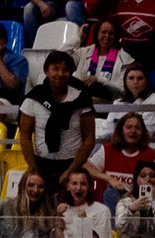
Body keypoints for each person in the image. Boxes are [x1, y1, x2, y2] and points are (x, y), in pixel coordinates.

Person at [18, 49, 97, 191]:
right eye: (55, 69)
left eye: (65, 70)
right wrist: (33, 169)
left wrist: (72, 170)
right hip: (41, 164)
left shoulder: (82, 98)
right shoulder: (34, 98)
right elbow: (25, 138)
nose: (60, 74)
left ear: (71, 72)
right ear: (46, 71)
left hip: (73, 164)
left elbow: (89, 139)